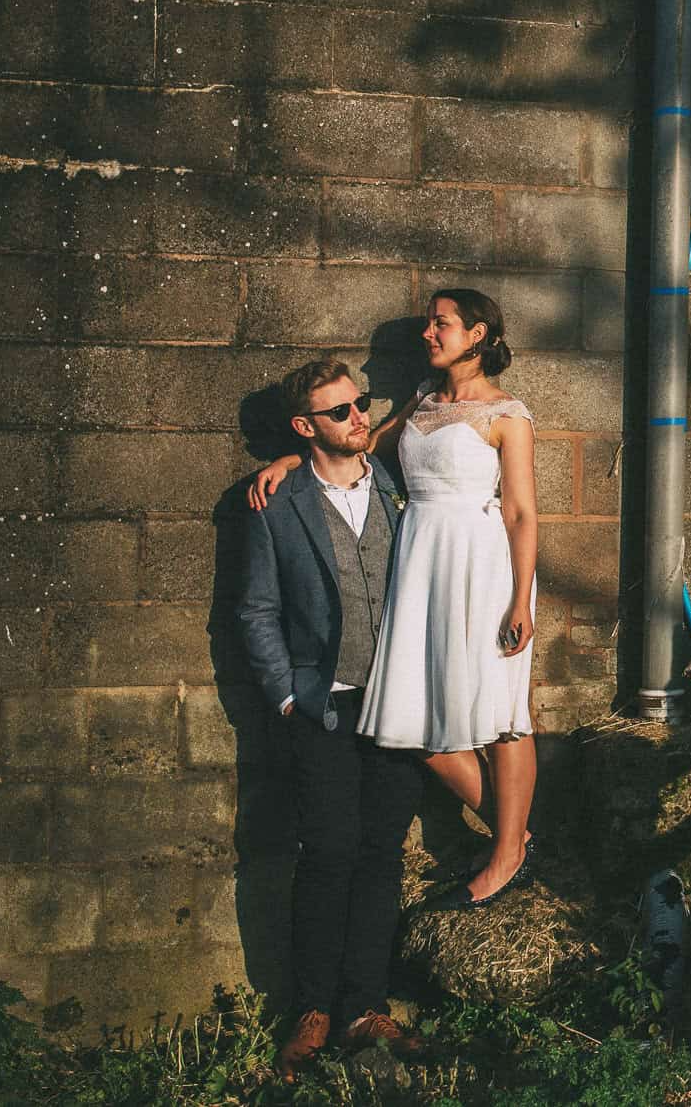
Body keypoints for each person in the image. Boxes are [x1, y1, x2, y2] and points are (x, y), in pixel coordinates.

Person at [252, 288, 539, 914]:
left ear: (480, 333)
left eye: (441, 325)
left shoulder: (508, 414)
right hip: (421, 566)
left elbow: (521, 510)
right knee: (416, 723)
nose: (428, 335)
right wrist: (288, 458)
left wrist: (520, 598)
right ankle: (518, 837)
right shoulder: (422, 401)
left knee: (500, 709)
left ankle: (507, 854)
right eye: (430, 325)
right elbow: (359, 447)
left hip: (481, 565)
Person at [237, 357, 426, 1080]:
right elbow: (255, 608)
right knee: (329, 851)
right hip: (325, 703)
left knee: (382, 853)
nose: (359, 418)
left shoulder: (395, 486)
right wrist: (287, 693)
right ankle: (312, 1008)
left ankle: (365, 1005)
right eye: (341, 411)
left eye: (361, 404)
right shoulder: (277, 503)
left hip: (399, 700)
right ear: (303, 426)